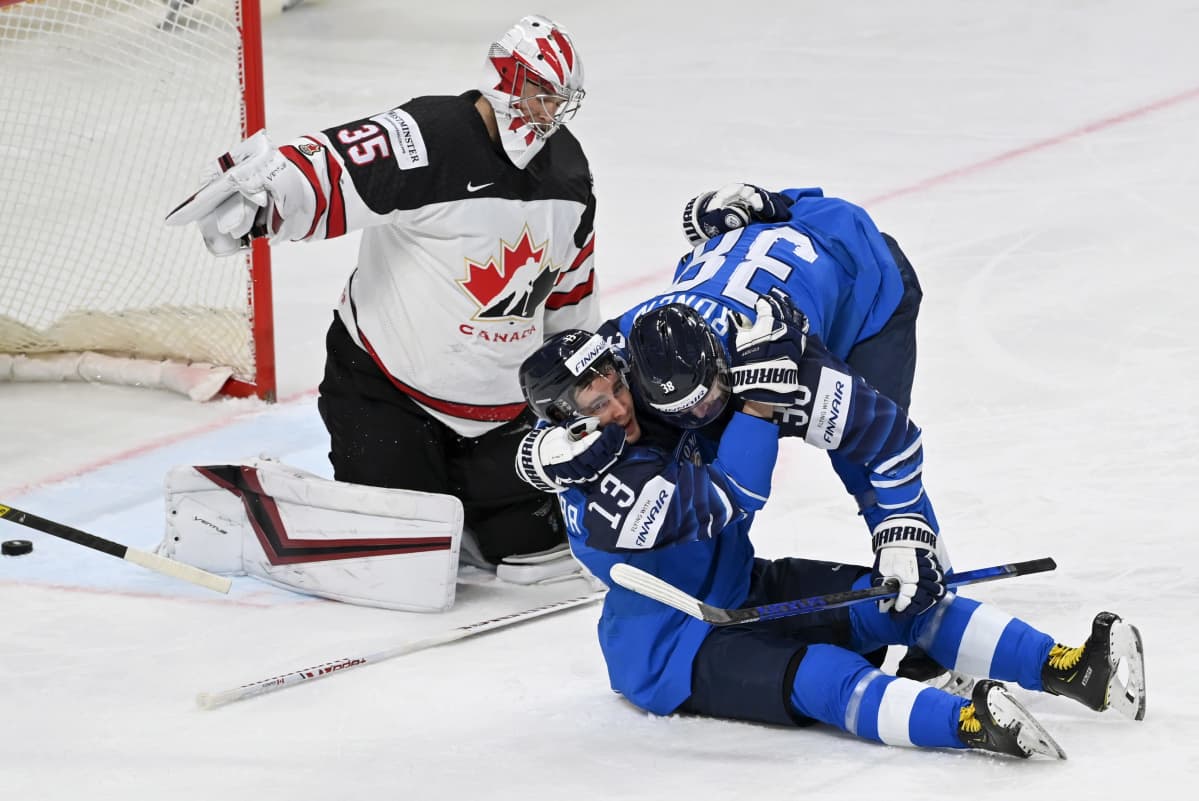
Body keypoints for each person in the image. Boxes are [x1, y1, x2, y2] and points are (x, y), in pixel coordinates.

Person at [513, 307, 1146, 758]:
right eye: (595, 406)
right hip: (669, 651)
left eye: (616, 388)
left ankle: (1068, 669)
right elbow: (734, 494)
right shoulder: (602, 492)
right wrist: (759, 402)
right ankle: (971, 723)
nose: (619, 408)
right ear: (561, 419)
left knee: (903, 598)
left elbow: (644, 340)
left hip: (741, 588)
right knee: (820, 675)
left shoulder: (613, 412)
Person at [165, 15, 599, 571]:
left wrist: (574, 378)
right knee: (404, 559)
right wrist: (269, 196)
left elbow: (571, 285)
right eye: (542, 95)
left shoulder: (568, 169)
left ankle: (462, 503)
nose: (550, 113)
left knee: (536, 554)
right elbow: (339, 163)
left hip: (502, 413)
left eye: (561, 101)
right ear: (506, 80)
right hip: (391, 396)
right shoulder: (434, 134)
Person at [522, 181, 946, 672]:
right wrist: (538, 454)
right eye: (684, 409)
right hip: (764, 256)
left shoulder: (790, 358)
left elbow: (891, 443)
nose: (700, 417)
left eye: (708, 400)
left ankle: (931, 610)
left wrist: (902, 528)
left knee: (860, 464)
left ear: (727, 365)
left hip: (863, 281)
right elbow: (560, 390)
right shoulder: (619, 349)